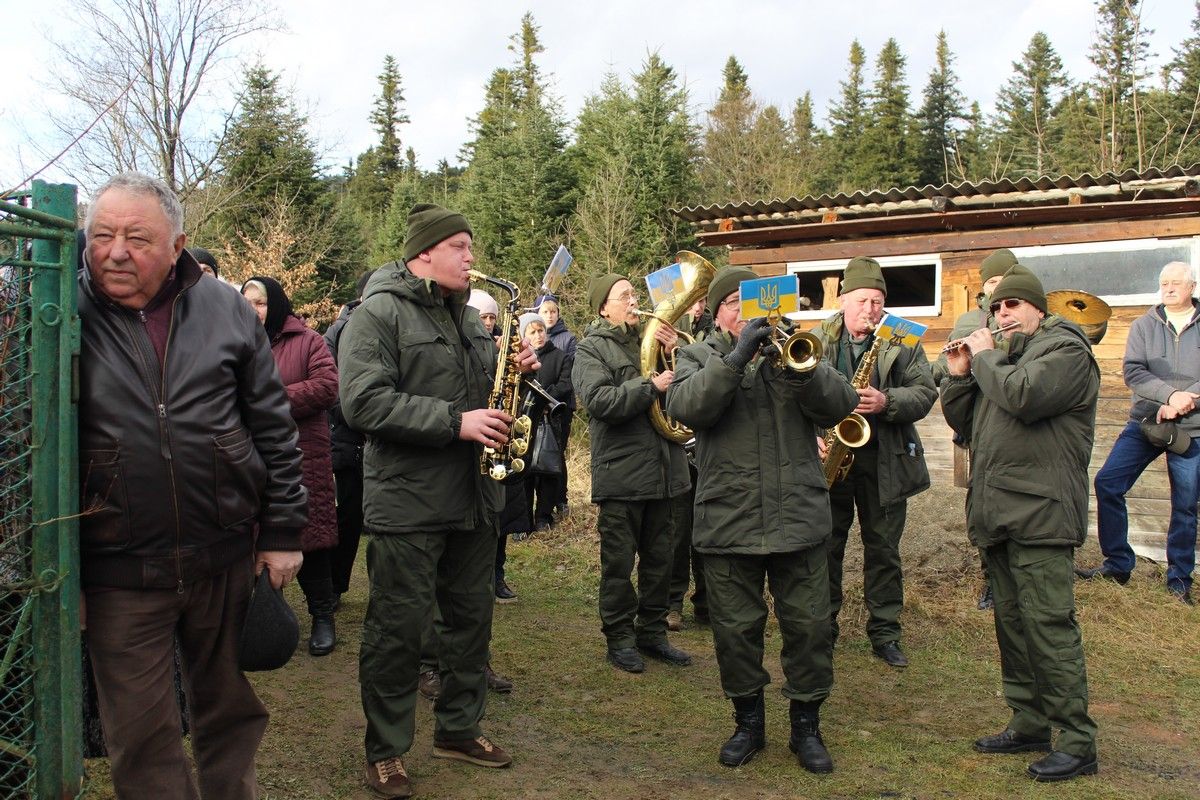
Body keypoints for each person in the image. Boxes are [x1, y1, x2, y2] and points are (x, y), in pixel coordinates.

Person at [77, 172, 307, 799]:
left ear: (177, 245)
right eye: (101, 235)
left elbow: (271, 424)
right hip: (118, 568)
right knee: (143, 735)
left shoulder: (224, 305)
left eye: (136, 237)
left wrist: (284, 531)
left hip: (223, 557)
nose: (116, 251)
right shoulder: (63, 311)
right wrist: (61, 573)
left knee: (229, 712)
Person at [338, 203, 535, 797]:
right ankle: (386, 750)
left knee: (471, 624)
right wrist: (455, 421)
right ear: (423, 253)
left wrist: (517, 369)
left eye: (470, 247)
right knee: (399, 630)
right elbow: (363, 403)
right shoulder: (378, 314)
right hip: (407, 503)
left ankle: (458, 728)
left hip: (473, 499)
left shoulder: (471, 320)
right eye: (459, 247)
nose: (471, 257)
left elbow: (487, 397)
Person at [665, 266, 858, 773]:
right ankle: (748, 722)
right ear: (719, 311)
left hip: (799, 518)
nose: (744, 312)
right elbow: (686, 406)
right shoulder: (698, 354)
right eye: (733, 303)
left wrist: (804, 369)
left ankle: (806, 727)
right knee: (735, 629)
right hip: (729, 519)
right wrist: (734, 361)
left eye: (751, 303)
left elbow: (843, 403)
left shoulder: (799, 350)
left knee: (811, 627)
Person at [941, 264, 1100, 783]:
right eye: (996, 307)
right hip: (999, 510)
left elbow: (1024, 397)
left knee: (1049, 625)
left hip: (1042, 513)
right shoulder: (1002, 358)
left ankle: (1076, 740)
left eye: (1012, 305)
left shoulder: (1067, 352)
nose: (1002, 313)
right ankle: (1030, 720)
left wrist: (985, 355)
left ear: (1038, 308)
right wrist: (961, 377)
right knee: (1012, 623)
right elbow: (964, 424)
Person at [811, 256, 936, 668]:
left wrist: (888, 401)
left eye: (878, 301)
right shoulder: (817, 338)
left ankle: (885, 633)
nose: (871, 310)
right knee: (825, 548)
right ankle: (822, 629)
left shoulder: (903, 339)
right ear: (844, 298)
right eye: (863, 300)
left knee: (883, 550)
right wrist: (812, 437)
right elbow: (793, 395)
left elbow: (925, 391)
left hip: (885, 460)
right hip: (831, 459)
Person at [571, 273, 692, 673]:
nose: (634, 300)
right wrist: (650, 386)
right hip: (622, 476)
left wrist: (679, 354)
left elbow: (688, 395)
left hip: (665, 471)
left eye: (634, 293)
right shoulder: (590, 349)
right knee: (619, 565)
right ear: (604, 307)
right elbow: (600, 401)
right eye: (624, 296)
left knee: (662, 561)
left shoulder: (654, 342)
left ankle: (653, 633)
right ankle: (620, 638)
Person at [1077, 261, 1200, 605]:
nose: (1169, 288)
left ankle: (1179, 580)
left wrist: (1184, 402)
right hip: (1146, 422)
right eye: (1164, 283)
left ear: (1192, 286)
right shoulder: (1144, 325)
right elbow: (1133, 371)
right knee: (1107, 483)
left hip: (1193, 428)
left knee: (1185, 504)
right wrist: (1167, 396)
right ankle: (1118, 565)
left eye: (1177, 283)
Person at [241, 275, 340, 654]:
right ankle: (256, 618)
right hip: (249, 457)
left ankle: (322, 616)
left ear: (277, 304)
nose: (254, 309)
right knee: (250, 538)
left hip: (302, 455)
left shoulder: (308, 341)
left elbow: (327, 386)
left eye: (261, 302)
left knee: (309, 539)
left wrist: (270, 398)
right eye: (247, 301)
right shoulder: (236, 341)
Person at [932, 248, 1018, 612]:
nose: (999, 293)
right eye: (992, 284)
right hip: (977, 423)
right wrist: (960, 364)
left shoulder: (1025, 319)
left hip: (1017, 424)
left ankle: (1022, 577)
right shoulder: (970, 319)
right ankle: (991, 579)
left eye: (1005, 283)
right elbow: (939, 366)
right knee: (982, 506)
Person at [325, 270, 375, 610]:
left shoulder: (389, 324)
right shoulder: (341, 330)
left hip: (384, 438)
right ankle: (334, 586)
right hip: (349, 439)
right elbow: (331, 387)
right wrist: (362, 417)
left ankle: (384, 593)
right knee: (348, 516)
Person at [520, 311, 572, 531]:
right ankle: (524, 521)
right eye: (532, 332)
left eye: (541, 330)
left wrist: (545, 399)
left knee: (549, 468)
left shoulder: (561, 356)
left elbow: (565, 385)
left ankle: (544, 517)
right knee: (524, 470)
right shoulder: (520, 360)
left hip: (552, 420)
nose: (538, 335)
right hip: (525, 420)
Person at [537, 294, 576, 516]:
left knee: (556, 453)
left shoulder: (567, 339)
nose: (550, 315)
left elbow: (569, 374)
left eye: (553, 311)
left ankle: (560, 499)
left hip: (561, 405)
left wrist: (549, 396)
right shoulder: (529, 337)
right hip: (538, 407)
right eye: (545, 311)